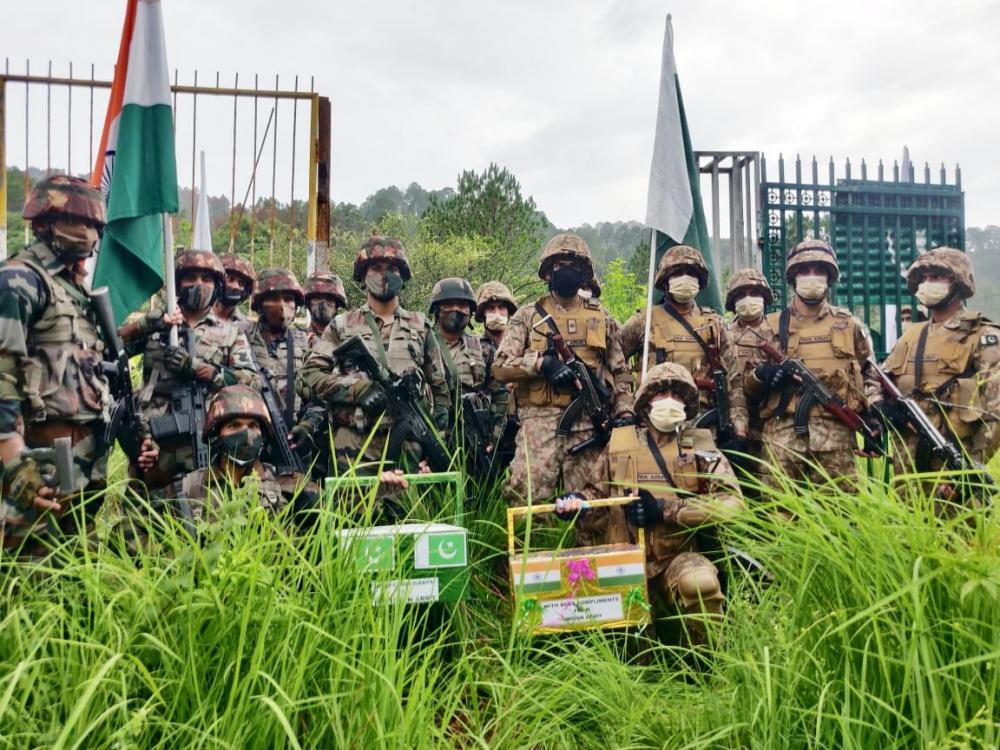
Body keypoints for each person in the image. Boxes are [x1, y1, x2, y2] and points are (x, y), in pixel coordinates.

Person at [0, 175, 157, 555]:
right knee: (25, 571)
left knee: (70, 568)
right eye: (75, 220)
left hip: (84, 462)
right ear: (42, 222)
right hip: (38, 456)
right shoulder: (20, 279)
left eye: (93, 224)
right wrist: (14, 459)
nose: (86, 232)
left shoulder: (76, 291)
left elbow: (97, 369)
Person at [555, 362, 744, 645]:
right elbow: (596, 495)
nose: (670, 400)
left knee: (701, 584)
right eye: (661, 393)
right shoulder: (620, 444)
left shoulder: (700, 446)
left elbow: (734, 504)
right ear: (646, 401)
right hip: (626, 559)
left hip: (677, 556)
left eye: (677, 395)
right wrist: (577, 503)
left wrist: (666, 510)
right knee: (630, 651)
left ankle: (707, 663)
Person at [492, 233, 634, 505]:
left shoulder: (601, 316)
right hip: (538, 422)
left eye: (572, 266)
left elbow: (620, 371)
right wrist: (540, 363)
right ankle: (529, 548)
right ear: (547, 273)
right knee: (525, 497)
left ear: (583, 274)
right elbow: (500, 367)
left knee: (591, 503)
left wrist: (624, 410)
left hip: (587, 424)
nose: (565, 271)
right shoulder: (527, 316)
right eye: (558, 266)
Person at [299, 236, 450, 474]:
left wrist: (435, 442)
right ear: (363, 275)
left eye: (391, 269)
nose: (384, 275)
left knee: (407, 510)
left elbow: (440, 392)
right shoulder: (342, 325)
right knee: (351, 509)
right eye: (376, 268)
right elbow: (310, 374)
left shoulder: (420, 326)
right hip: (353, 444)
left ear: (402, 275)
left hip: (409, 446)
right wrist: (357, 389)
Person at [743, 239, 881, 486]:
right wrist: (763, 375)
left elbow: (870, 375)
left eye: (819, 271)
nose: (812, 277)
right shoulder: (770, 326)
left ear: (830, 278)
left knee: (838, 515)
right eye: (804, 271)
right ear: (793, 277)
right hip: (782, 439)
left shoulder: (850, 326)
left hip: (837, 439)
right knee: (779, 514)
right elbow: (745, 386)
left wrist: (873, 421)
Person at [120, 249, 258, 490]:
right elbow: (110, 345)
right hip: (151, 438)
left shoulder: (230, 332)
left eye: (206, 279)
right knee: (142, 514)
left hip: (204, 438)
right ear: (177, 283)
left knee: (201, 509)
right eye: (190, 277)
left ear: (216, 286)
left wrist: (198, 369)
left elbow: (250, 382)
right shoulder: (158, 323)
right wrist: (148, 323)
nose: (198, 285)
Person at [876, 248, 1000, 476]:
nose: (927, 283)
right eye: (923, 279)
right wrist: (881, 406)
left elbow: (996, 411)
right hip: (907, 469)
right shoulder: (910, 336)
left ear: (958, 281)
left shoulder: (982, 336)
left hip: (953, 466)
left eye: (936, 277)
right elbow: (877, 379)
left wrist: (969, 468)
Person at [619, 245, 737, 420]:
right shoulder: (645, 321)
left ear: (700, 280)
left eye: (691, 273)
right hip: (653, 420)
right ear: (665, 280)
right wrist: (627, 407)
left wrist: (738, 426)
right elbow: (616, 365)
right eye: (677, 274)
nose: (685, 279)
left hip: (703, 422)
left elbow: (735, 380)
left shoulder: (715, 325)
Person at [724, 268, 776, 467]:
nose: (748, 300)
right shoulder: (723, 334)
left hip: (770, 423)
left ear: (764, 297)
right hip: (733, 422)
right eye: (742, 295)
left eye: (754, 294)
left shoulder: (779, 332)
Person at [246, 268, 310, 420]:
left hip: (290, 431)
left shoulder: (305, 343)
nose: (282, 305)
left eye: (288, 299)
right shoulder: (242, 338)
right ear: (260, 304)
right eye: (274, 298)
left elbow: (315, 395)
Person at [475, 281, 519, 461]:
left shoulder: (522, 345)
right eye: (491, 308)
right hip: (490, 430)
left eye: (501, 307)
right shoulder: (476, 349)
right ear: (482, 313)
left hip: (520, 428)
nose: (497, 313)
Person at [304, 272, 348, 347]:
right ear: (309, 304)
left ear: (336, 306)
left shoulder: (347, 340)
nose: (323, 303)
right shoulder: (294, 341)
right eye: (318, 297)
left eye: (329, 298)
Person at [214, 254, 256, 333]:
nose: (235, 286)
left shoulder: (248, 328)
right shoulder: (195, 316)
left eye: (241, 283)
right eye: (230, 279)